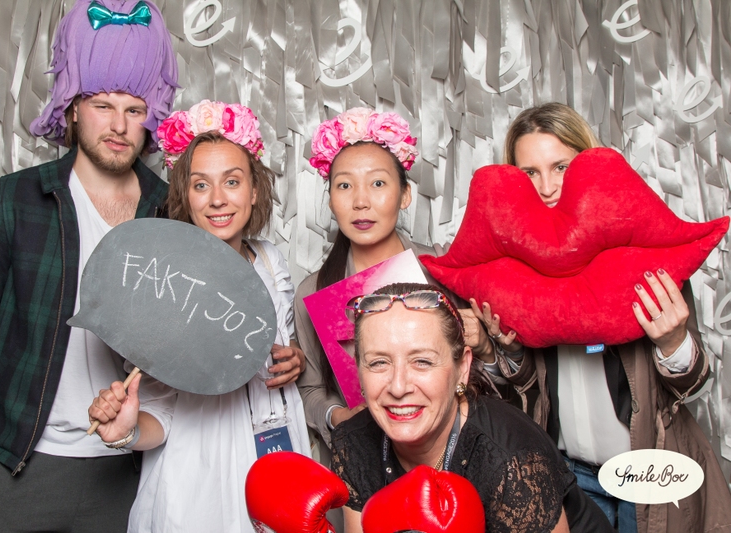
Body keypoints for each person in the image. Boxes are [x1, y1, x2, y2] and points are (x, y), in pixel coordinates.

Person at [0, 1, 177, 531]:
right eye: (101, 104)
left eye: (135, 108)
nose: (119, 125)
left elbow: (193, 341)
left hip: (125, 476)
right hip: (14, 471)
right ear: (71, 107)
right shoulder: (12, 201)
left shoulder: (171, 214)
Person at [481, 102, 731, 532]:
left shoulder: (642, 250)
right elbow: (527, 392)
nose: (547, 187)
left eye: (560, 167)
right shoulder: (515, 270)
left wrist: (673, 342)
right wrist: (505, 351)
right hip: (569, 472)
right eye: (529, 173)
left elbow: (692, 387)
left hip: (646, 470)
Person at [88, 100, 312, 533]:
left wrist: (295, 360)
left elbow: (282, 345)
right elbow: (161, 414)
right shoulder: (165, 281)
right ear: (185, 197)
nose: (217, 199)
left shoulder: (270, 262)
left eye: (232, 181)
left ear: (254, 191)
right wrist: (126, 432)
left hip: (279, 458)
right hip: (200, 480)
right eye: (201, 185)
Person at [296, 109, 498, 489]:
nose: (360, 202)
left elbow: (499, 378)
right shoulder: (313, 290)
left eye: (377, 183)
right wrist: (337, 416)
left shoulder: (443, 271)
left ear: (405, 195)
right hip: (368, 470)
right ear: (330, 199)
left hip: (457, 461)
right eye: (344, 186)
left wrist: (486, 346)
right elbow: (309, 390)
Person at [331, 282, 613, 533]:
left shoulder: (511, 461)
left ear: (462, 368)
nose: (398, 386)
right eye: (379, 362)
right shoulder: (352, 443)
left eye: (422, 362)